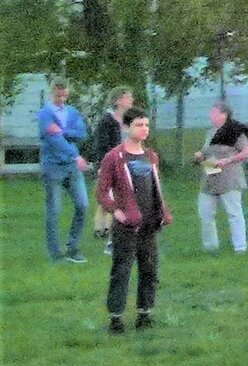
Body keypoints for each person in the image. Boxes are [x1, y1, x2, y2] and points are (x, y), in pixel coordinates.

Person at [100, 108, 172, 332]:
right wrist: (117, 212)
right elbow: (102, 192)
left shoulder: (150, 156)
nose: (144, 129)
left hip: (150, 223)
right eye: (139, 125)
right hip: (127, 226)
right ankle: (116, 318)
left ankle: (145, 314)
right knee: (122, 270)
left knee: (149, 269)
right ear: (126, 127)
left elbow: (155, 188)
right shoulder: (115, 157)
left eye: (147, 125)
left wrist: (162, 212)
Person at [37, 79, 89, 263]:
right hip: (53, 166)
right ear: (52, 93)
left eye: (64, 95)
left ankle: (72, 246)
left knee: (82, 205)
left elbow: (81, 133)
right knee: (54, 210)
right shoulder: (45, 114)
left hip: (72, 167)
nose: (61, 98)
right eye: (58, 95)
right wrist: (73, 154)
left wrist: (63, 132)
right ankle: (55, 253)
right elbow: (53, 140)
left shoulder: (72, 112)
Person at [193, 100, 248, 253]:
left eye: (213, 113)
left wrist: (227, 160)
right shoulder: (210, 132)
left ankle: (240, 247)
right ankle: (210, 247)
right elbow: (207, 151)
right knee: (205, 213)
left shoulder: (235, 131)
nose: (210, 115)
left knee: (234, 213)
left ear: (224, 115)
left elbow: (246, 152)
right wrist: (200, 155)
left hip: (230, 178)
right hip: (210, 177)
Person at [86, 87, 132, 253]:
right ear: (117, 100)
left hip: (127, 166)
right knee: (114, 204)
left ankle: (119, 239)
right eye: (127, 97)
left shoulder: (129, 120)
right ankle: (111, 241)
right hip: (111, 167)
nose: (130, 100)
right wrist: (102, 167)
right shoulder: (107, 121)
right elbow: (101, 146)